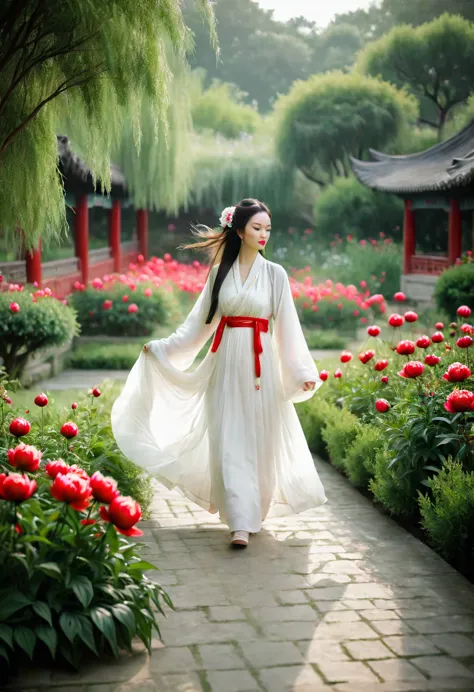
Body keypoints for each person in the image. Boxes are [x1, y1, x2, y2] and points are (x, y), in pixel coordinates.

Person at [111, 198, 327, 548]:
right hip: (224, 367)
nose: (263, 234)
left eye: (268, 229)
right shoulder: (218, 275)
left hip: (261, 373)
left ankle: (253, 509)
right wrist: (163, 349)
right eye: (257, 228)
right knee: (229, 440)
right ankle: (239, 523)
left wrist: (300, 370)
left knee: (260, 440)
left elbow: (288, 327)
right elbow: (197, 327)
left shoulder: (275, 275)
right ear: (239, 230)